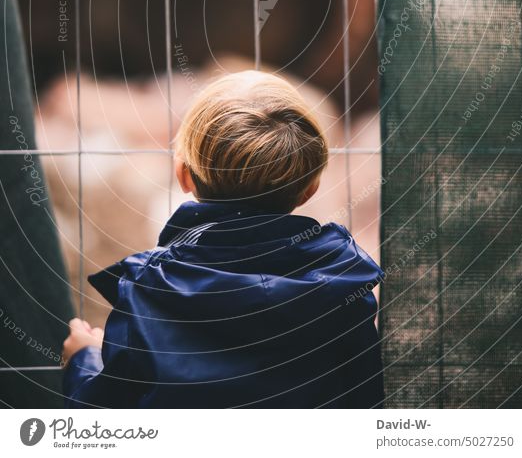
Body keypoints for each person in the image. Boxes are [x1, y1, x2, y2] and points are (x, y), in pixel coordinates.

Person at [62, 70, 384, 408]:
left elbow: (104, 416)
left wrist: (83, 360)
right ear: (310, 188)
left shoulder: (150, 290)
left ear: (183, 175)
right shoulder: (343, 282)